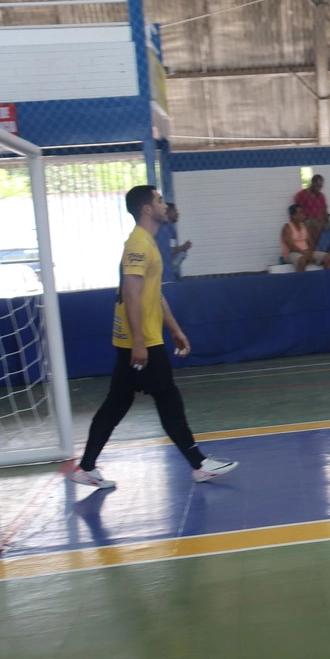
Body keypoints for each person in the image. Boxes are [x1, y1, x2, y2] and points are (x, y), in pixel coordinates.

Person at [67, 185, 238, 489]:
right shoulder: (138, 244)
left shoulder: (148, 243)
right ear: (146, 209)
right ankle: (198, 464)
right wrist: (139, 341)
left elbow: (154, 295)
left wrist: (174, 329)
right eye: (159, 201)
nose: (164, 205)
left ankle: (86, 467)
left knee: (117, 405)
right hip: (142, 341)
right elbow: (132, 295)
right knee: (168, 399)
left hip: (143, 338)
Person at [293, 174, 330, 261]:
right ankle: (312, 253)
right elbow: (299, 214)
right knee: (317, 224)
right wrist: (313, 218)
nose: (319, 189)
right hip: (307, 222)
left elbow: (325, 211)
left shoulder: (321, 196)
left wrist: (326, 216)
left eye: (321, 186)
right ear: (312, 183)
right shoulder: (301, 195)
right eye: (317, 186)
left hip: (321, 221)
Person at [281, 203, 330, 271]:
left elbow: (311, 242)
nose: (303, 214)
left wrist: (310, 253)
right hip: (291, 253)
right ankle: (302, 280)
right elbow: (291, 246)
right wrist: (305, 254)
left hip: (306, 252)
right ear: (293, 216)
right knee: (302, 260)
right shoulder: (287, 227)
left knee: (327, 257)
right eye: (300, 212)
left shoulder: (304, 226)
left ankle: (326, 279)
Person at [154, 202, 192, 283]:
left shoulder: (170, 228)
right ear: (167, 212)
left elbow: (172, 253)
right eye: (175, 211)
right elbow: (167, 250)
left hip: (170, 275)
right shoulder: (163, 229)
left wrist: (182, 250)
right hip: (164, 277)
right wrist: (182, 247)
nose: (177, 214)